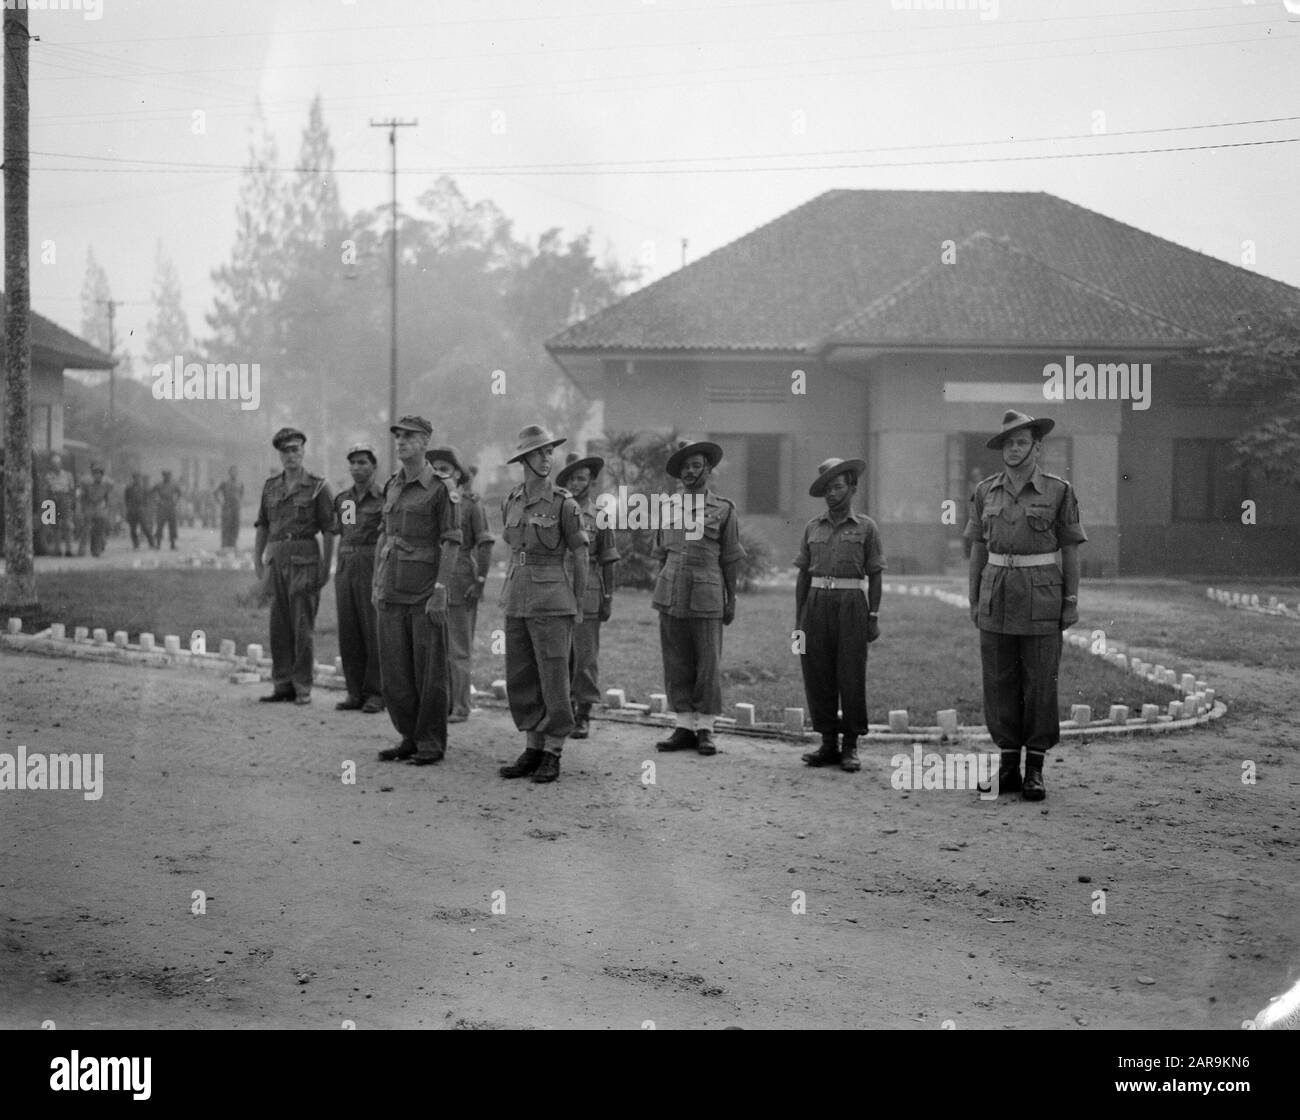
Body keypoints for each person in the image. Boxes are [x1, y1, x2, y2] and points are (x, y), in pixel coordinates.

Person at [964, 410, 1087, 801]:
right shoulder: (986, 491)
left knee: (1039, 682)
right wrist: (973, 598)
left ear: (1037, 447)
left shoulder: (1058, 491)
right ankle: (1007, 767)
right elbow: (977, 550)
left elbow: (1070, 550)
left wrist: (1070, 600)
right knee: (999, 682)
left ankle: (1034, 768)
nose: (1013, 449)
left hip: (1041, 597)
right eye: (1008, 443)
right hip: (996, 594)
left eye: (1021, 442)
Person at [497, 425, 588, 784]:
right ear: (524, 460)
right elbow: (512, 544)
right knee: (521, 675)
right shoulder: (512, 500)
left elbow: (581, 556)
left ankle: (553, 751)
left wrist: (578, 603)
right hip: (518, 597)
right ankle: (532, 746)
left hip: (552, 598)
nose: (547, 458)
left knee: (554, 677)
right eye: (539, 453)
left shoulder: (565, 503)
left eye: (550, 452)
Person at [372, 416, 461, 766]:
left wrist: (440, 590)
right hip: (392, 589)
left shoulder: (442, 487)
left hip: (424, 592)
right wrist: (377, 584)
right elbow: (384, 536)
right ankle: (408, 736)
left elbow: (452, 542)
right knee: (396, 672)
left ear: (425, 442)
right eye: (398, 437)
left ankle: (431, 743)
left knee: (429, 674)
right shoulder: (392, 485)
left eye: (409, 437)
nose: (401, 442)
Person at [652, 440, 745, 757]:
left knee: (707, 662)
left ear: (707, 469)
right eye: (685, 467)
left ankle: (705, 727)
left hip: (707, 592)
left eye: (696, 465)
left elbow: (730, 559)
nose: (690, 472)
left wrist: (730, 599)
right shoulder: (666, 507)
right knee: (676, 659)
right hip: (671, 591)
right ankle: (683, 725)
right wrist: (664, 583)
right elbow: (660, 553)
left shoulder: (723, 509)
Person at [793, 458, 885, 773]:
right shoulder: (812, 527)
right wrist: (798, 623)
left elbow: (875, 574)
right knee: (817, 672)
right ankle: (828, 743)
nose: (832, 494)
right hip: (816, 604)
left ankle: (850, 746)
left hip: (851, 604)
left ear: (852, 488)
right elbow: (803, 576)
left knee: (850, 674)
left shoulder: (866, 527)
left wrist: (873, 615)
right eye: (827, 489)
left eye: (838, 487)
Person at [253, 428, 336, 705]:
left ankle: (302, 686)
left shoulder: (318, 486)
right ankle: (282, 684)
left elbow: (329, 530)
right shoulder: (271, 487)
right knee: (278, 625)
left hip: (305, 558)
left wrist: (325, 569)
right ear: (279, 454)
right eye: (286, 451)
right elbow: (263, 525)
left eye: (295, 450)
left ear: (303, 451)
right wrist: (258, 561)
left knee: (302, 625)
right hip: (276, 558)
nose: (291, 455)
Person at [427, 445, 495, 724]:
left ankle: (461, 706)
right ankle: (442, 703)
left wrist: (479, 582)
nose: (440, 474)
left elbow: (486, 543)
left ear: (457, 474)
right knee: (437, 648)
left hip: (461, 578)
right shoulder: (430, 501)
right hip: (434, 580)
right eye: (436, 469)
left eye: (446, 469)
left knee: (458, 647)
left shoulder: (470, 503)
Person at [555, 451, 618, 740]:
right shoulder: (555, 511)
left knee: (584, 656)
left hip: (589, 591)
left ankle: (583, 714)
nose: (576, 483)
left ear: (591, 481)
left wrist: (608, 597)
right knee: (557, 654)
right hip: (556, 588)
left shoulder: (600, 516)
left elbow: (608, 558)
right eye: (571, 478)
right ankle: (561, 709)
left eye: (581, 478)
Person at [333, 443, 385, 714]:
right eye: (353, 463)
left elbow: (386, 537)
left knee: (372, 629)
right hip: (347, 564)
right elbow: (346, 531)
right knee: (349, 629)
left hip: (371, 563)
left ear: (374, 466)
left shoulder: (384, 498)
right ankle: (354, 692)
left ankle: (376, 692)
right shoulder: (346, 500)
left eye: (363, 462)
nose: (357, 468)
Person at [78, 464, 113, 559]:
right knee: (85, 529)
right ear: (93, 475)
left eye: (99, 474)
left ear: (102, 475)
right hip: (89, 505)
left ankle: (96, 550)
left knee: (99, 529)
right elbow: (83, 496)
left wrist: (106, 507)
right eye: (95, 474)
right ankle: (81, 550)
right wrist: (83, 508)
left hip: (99, 506)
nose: (97, 476)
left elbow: (107, 496)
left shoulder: (107, 484)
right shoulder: (87, 483)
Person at [44, 452, 76, 557]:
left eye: (58, 464)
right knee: (55, 526)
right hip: (53, 500)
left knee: (67, 525)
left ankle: (69, 549)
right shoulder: (48, 476)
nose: (56, 466)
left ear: (61, 464)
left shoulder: (67, 475)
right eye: (54, 464)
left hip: (65, 499)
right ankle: (57, 550)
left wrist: (71, 502)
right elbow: (47, 490)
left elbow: (71, 489)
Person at [215, 466, 244, 550]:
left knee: (235, 526)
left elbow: (241, 494)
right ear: (229, 473)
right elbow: (215, 493)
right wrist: (221, 502)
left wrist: (240, 503)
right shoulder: (224, 483)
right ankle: (224, 545)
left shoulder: (240, 483)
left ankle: (233, 544)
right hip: (227, 508)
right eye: (232, 471)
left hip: (236, 508)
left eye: (235, 471)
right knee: (226, 526)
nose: (234, 473)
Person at [153, 469, 182, 551]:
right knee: (159, 526)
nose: (167, 477)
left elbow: (179, 493)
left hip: (171, 506)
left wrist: (175, 501)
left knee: (172, 526)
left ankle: (172, 544)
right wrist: (157, 501)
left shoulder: (174, 485)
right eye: (165, 475)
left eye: (168, 475)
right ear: (163, 476)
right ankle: (158, 544)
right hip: (161, 507)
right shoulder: (159, 485)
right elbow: (153, 493)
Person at [124, 473, 154, 550]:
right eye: (135, 478)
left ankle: (151, 542)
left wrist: (145, 509)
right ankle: (136, 544)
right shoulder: (129, 488)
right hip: (132, 510)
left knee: (145, 527)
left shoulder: (143, 488)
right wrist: (128, 508)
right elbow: (126, 499)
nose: (137, 480)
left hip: (141, 510)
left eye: (138, 478)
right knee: (133, 529)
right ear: (133, 479)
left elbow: (147, 499)